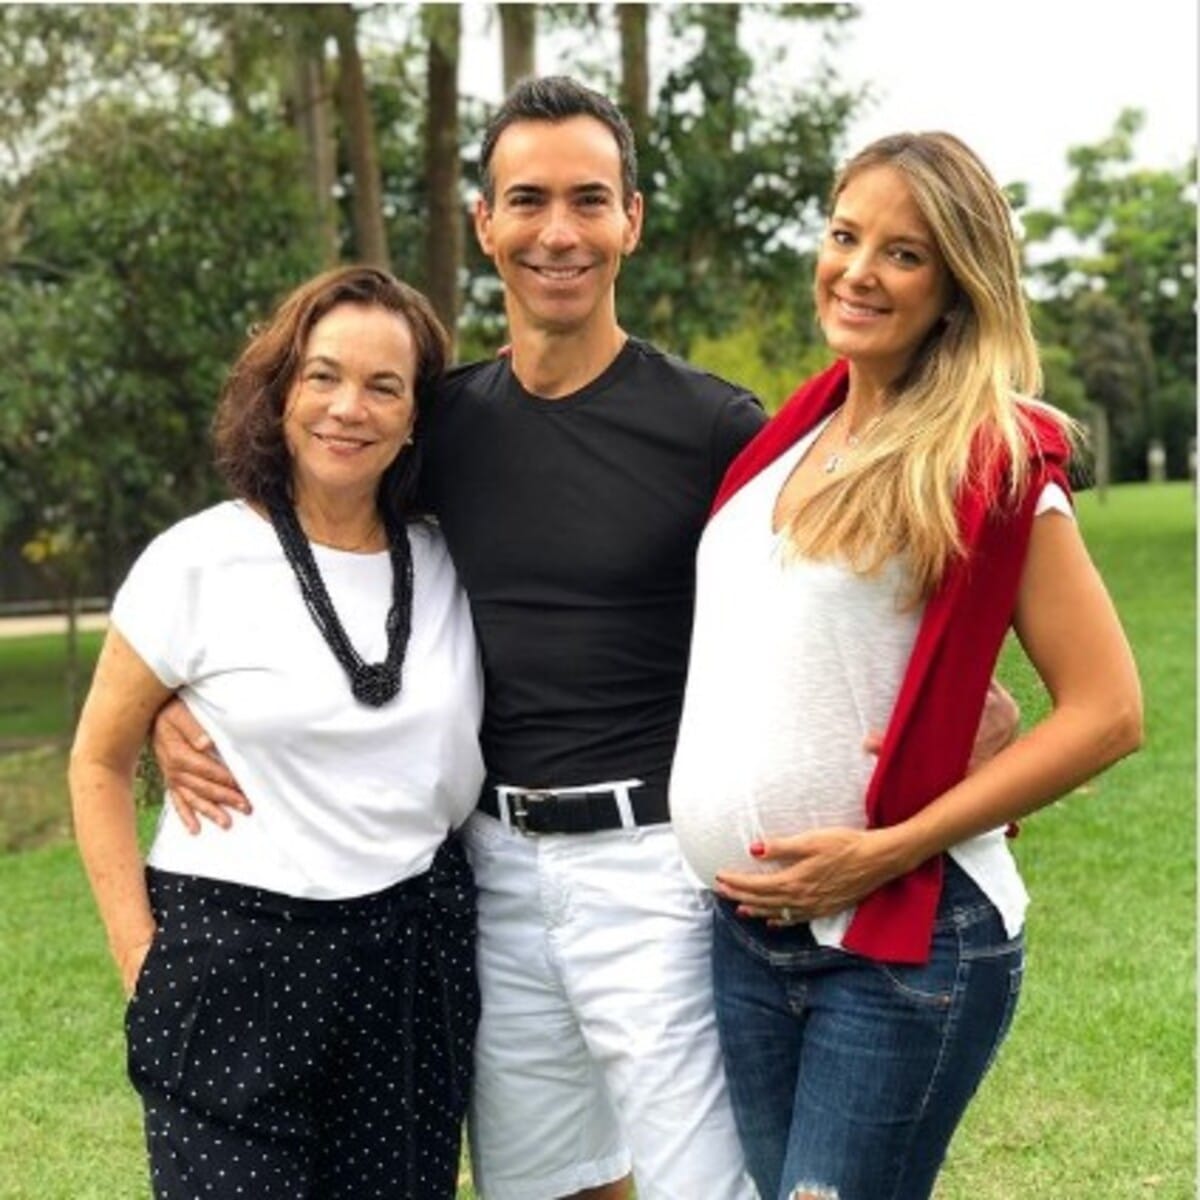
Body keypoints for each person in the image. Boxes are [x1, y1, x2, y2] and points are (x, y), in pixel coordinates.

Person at [151, 82, 1016, 1200]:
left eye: (588, 201)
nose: (557, 232)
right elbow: (304, 547)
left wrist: (946, 760)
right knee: (545, 1184)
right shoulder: (438, 423)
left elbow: (890, 623)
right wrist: (175, 702)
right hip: (488, 873)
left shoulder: (721, 431)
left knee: (701, 1184)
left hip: (660, 866)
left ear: (631, 220)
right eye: (528, 201)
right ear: (485, 223)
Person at [668, 131, 1144, 1200]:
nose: (858, 270)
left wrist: (890, 847)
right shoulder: (791, 435)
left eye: (904, 253)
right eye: (845, 235)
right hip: (748, 938)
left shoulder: (994, 458)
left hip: (903, 940)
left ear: (957, 286)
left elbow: (1110, 710)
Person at [69, 266, 485, 1199]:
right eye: (323, 376)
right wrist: (141, 959)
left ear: (417, 414)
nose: (349, 408)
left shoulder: (451, 558)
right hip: (231, 959)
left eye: (385, 386)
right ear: (282, 391)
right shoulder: (198, 560)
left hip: (409, 963)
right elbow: (98, 757)